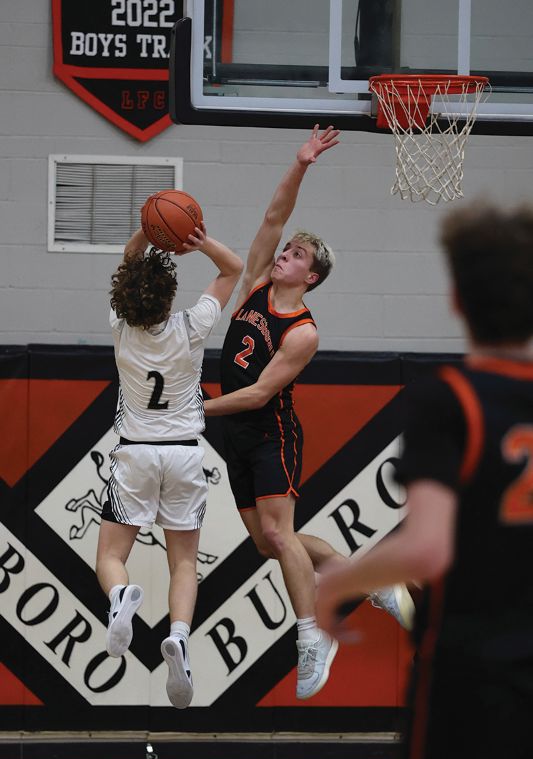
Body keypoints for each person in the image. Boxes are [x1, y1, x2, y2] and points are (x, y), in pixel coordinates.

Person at [316, 202, 533, 759]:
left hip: (470, 673)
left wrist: (337, 583)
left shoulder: (449, 398)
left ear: (457, 300)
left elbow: (427, 547)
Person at [204, 125, 413, 701]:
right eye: (286, 249)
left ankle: (313, 635)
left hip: (270, 432)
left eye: (295, 254)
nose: (284, 253)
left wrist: (196, 410)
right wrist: (300, 165)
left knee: (278, 531)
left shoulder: (303, 333)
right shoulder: (252, 287)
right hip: (236, 434)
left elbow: (255, 395)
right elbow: (273, 216)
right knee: (268, 543)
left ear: (311, 277)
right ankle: (371, 582)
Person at [95, 217, 243, 710]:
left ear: (125, 298)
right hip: (183, 453)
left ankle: (121, 600)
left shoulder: (120, 328)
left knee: (112, 557)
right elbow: (233, 269)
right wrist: (199, 243)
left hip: (135, 451)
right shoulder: (190, 326)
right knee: (183, 562)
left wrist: (144, 229)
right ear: (168, 295)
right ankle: (178, 637)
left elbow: (127, 263)